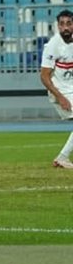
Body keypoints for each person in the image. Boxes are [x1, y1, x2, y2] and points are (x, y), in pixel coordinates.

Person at [39, 9, 73, 168]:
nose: (65, 27)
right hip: (59, 91)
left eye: (69, 24)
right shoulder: (53, 45)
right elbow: (44, 76)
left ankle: (62, 158)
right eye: (62, 24)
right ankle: (62, 158)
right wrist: (60, 97)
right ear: (58, 26)